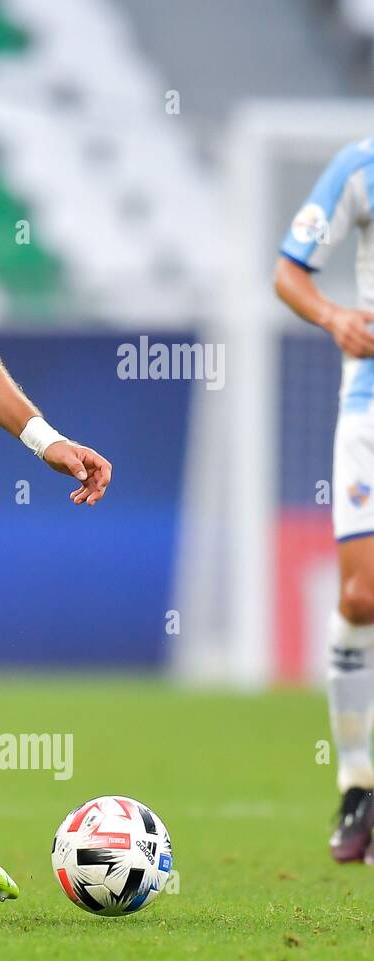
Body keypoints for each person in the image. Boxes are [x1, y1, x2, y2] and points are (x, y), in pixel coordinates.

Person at [275, 135, 374, 866]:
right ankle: (357, 782)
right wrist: (336, 318)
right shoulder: (360, 165)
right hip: (369, 404)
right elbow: (288, 274)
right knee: (364, 596)